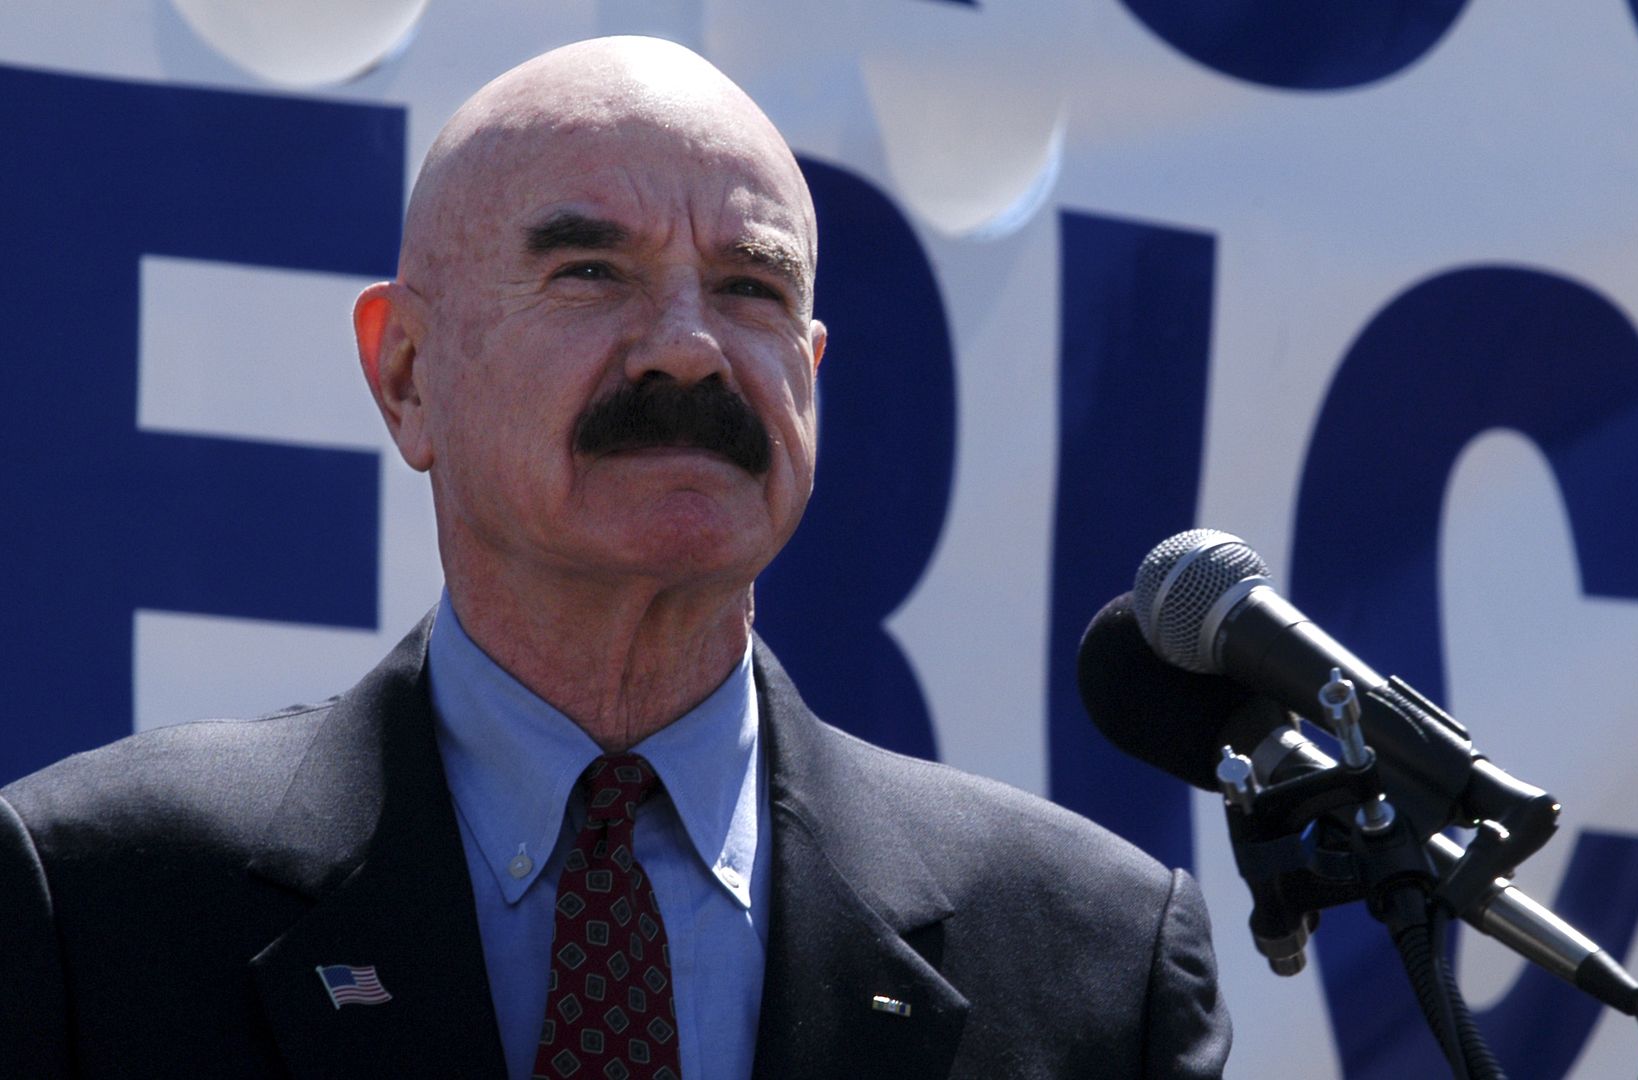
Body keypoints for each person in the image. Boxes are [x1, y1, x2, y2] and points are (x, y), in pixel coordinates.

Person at [0, 36, 1229, 1079]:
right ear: (408, 375)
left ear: (810, 376)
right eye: (590, 272)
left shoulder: (1093, 957)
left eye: (751, 288)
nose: (688, 350)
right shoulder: (96, 904)